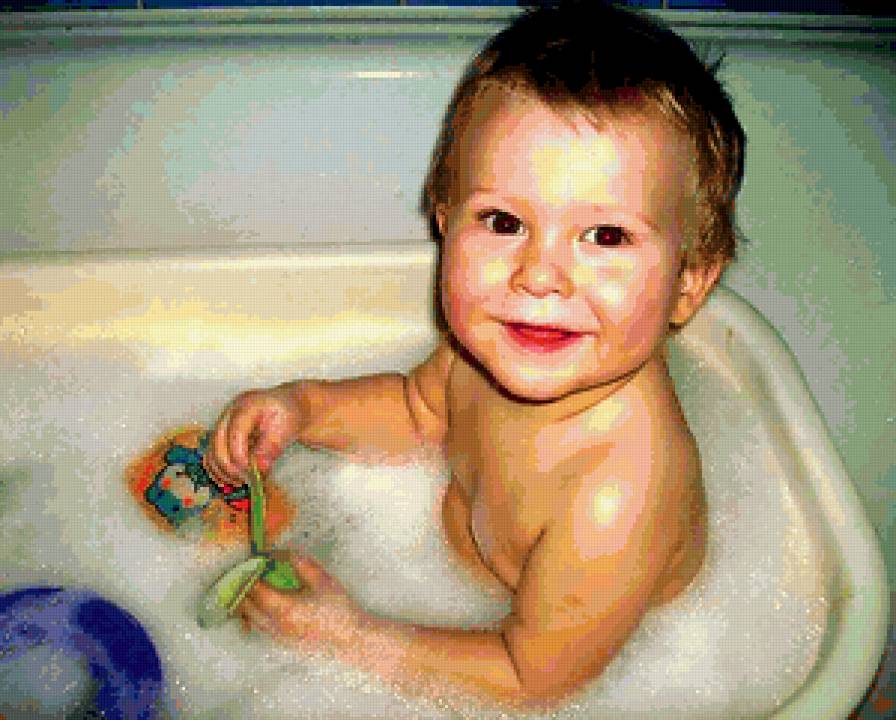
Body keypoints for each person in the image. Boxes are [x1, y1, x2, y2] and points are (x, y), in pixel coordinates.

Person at [203, 0, 746, 708]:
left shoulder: (619, 490)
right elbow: (416, 410)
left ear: (689, 284)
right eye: (503, 221)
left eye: (606, 237)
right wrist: (302, 408)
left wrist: (350, 640)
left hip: (570, 660)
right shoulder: (492, 347)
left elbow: (533, 679)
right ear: (444, 219)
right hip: (466, 582)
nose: (539, 275)